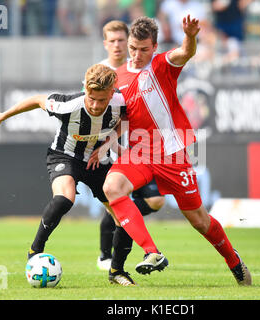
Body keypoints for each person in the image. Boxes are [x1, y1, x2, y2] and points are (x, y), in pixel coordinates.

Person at [90, 16, 252, 286]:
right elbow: (121, 122)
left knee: (200, 221)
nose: (136, 54)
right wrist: (104, 144)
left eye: (143, 49)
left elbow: (186, 51)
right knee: (113, 187)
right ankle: (151, 252)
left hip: (172, 155)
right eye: (133, 48)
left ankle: (233, 261)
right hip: (139, 153)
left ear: (154, 47)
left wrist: (189, 36)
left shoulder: (163, 64)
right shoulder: (117, 78)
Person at [0, 64, 138, 286]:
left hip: (98, 161)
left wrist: (109, 142)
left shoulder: (121, 100)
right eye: (91, 98)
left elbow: (127, 118)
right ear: (85, 88)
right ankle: (35, 251)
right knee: (65, 198)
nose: (95, 105)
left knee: (124, 214)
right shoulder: (68, 104)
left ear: (112, 93)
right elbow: (37, 99)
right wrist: (3, 115)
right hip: (65, 156)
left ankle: (117, 271)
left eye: (101, 100)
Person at [95, 20, 166, 271]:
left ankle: (126, 225)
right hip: (108, 150)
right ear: (105, 44)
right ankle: (107, 257)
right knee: (116, 197)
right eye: (112, 41)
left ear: (130, 42)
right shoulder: (99, 74)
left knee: (154, 200)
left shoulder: (138, 71)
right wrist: (107, 145)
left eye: (121, 41)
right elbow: (95, 112)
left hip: (137, 149)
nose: (117, 45)